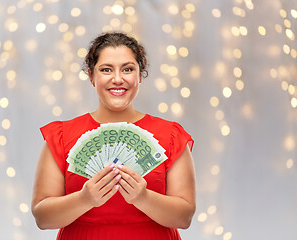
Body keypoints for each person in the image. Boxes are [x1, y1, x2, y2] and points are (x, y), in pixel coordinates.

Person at [31, 32, 196, 240]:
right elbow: (42, 218)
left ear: (139, 75)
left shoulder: (171, 136)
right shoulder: (60, 137)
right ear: (91, 76)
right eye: (106, 70)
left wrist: (143, 197)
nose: (118, 79)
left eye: (128, 69)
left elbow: (184, 217)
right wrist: (85, 199)